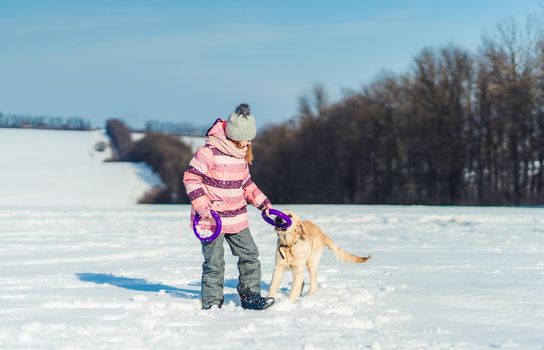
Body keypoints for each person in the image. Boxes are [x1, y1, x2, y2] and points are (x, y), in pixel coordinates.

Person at [183, 103, 275, 310]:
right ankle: (212, 302)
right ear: (234, 135)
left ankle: (250, 296)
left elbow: (246, 185)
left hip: (237, 217)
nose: (249, 143)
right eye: (246, 139)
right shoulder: (209, 152)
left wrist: (265, 205)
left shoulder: (241, 155)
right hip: (210, 220)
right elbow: (191, 178)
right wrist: (204, 209)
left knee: (250, 255)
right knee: (214, 263)